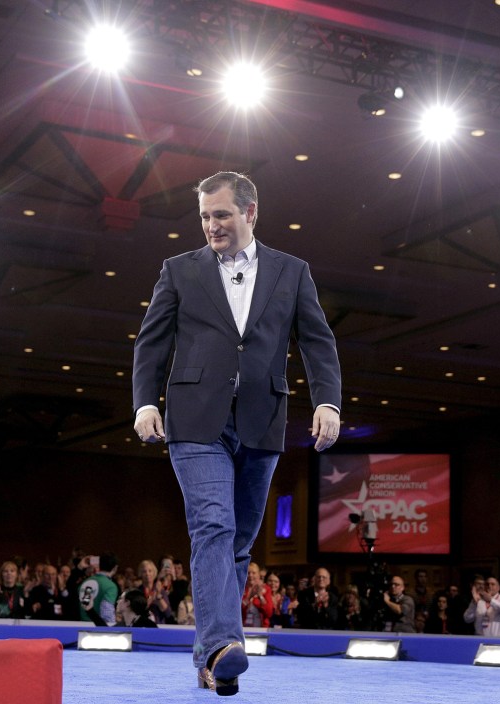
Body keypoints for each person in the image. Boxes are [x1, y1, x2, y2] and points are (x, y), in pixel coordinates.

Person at [133, 170, 342, 696]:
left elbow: (317, 341)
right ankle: (226, 644)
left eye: (221, 214)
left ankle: (210, 661)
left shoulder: (292, 272)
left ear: (250, 212)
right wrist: (143, 403)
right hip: (194, 419)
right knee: (213, 526)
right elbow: (151, 343)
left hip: (261, 420)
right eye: (204, 216)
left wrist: (328, 401)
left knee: (239, 543)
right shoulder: (178, 271)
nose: (211, 225)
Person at [78, 552, 120, 627]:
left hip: (81, 626)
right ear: (115, 568)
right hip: (99, 628)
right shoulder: (110, 586)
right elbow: (107, 614)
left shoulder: (84, 582)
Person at [241, 562, 273, 628]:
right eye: (248, 573)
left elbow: (269, 613)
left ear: (258, 574)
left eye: (253, 573)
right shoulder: (240, 589)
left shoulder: (266, 589)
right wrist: (249, 597)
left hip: (261, 629)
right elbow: (237, 611)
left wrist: (260, 596)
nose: (250, 575)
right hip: (243, 628)